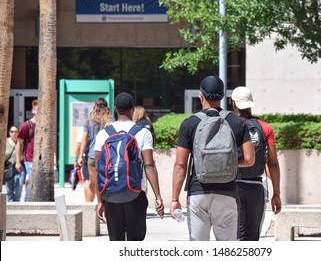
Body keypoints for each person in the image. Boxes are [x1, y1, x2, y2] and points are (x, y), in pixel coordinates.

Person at [170, 76, 255, 241]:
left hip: (197, 192)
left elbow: (180, 165)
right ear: (223, 97)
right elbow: (250, 159)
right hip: (227, 192)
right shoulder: (237, 122)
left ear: (201, 95)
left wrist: (174, 199)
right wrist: (226, 164)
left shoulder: (189, 124)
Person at [94, 92, 164, 241]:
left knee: (116, 241)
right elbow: (149, 165)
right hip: (136, 193)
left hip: (111, 195)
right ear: (133, 109)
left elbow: (98, 169)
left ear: (115, 109)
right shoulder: (143, 133)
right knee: (136, 242)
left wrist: (100, 201)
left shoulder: (103, 134)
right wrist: (158, 197)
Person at [231, 86, 282, 240]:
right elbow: (272, 163)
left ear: (233, 103)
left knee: (233, 237)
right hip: (256, 187)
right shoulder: (265, 128)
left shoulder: (228, 125)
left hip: (233, 186)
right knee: (252, 238)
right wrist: (277, 194)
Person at [79, 98, 113, 202]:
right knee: (106, 182)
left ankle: (90, 209)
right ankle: (102, 205)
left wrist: (81, 156)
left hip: (93, 155)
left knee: (92, 182)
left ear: (95, 106)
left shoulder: (89, 120)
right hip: (107, 156)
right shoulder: (111, 120)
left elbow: (84, 139)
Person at [15, 99, 38, 202]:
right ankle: (27, 201)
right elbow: (19, 144)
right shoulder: (26, 125)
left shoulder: (45, 125)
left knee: (34, 181)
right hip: (29, 158)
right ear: (33, 111)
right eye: (38, 110)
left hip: (41, 159)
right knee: (33, 180)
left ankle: (30, 200)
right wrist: (18, 162)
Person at [5, 125, 25, 202]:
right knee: (9, 188)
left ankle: (16, 203)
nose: (14, 133)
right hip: (9, 167)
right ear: (9, 133)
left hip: (20, 167)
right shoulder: (5, 142)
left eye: (16, 132)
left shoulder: (21, 142)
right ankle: (10, 204)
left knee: (19, 185)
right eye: (12, 132)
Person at [74, 127, 90, 199]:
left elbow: (78, 146)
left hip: (87, 157)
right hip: (99, 156)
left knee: (87, 180)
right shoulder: (103, 126)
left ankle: (89, 202)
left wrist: (76, 160)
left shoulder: (84, 128)